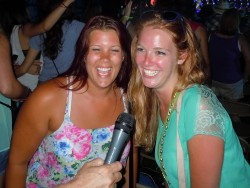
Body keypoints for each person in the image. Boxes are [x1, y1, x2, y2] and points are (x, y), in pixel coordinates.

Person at [6, 15, 133, 187]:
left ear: (124, 56)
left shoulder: (129, 99)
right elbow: (17, 164)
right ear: (83, 55)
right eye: (96, 49)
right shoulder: (49, 98)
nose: (105, 58)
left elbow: (125, 165)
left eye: (114, 50)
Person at [127, 10, 250, 187]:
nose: (146, 61)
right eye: (141, 49)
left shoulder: (198, 106)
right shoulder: (156, 97)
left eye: (160, 52)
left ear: (182, 56)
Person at [10, 0, 75, 91]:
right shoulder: (26, 29)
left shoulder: (9, 34)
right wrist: (66, 2)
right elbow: (44, 26)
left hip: (19, 88)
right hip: (30, 90)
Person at [208, 8, 250, 101]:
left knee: (217, 109)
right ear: (237, 22)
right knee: (234, 110)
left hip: (215, 79)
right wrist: (245, 78)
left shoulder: (211, 36)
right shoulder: (240, 39)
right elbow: (249, 61)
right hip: (233, 82)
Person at [175, 0, 211, 84]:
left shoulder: (170, 25)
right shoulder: (199, 29)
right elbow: (205, 59)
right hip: (192, 72)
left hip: (175, 71)